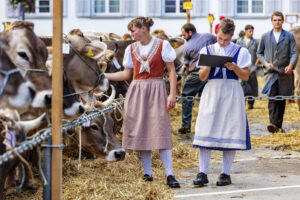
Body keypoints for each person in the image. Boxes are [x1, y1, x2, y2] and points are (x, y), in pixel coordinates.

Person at [104, 16, 180, 188]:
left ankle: (170, 174)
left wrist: (172, 94)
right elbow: (125, 75)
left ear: (143, 29)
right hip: (137, 91)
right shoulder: (131, 48)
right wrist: (103, 76)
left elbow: (172, 71)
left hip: (157, 89)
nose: (131, 34)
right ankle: (147, 173)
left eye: (133, 30)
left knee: (161, 131)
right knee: (142, 131)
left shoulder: (162, 45)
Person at [192, 18, 251, 187]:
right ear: (216, 34)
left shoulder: (241, 51)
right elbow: (202, 77)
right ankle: (202, 172)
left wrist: (235, 68)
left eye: (226, 39)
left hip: (232, 91)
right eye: (220, 38)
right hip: (212, 90)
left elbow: (246, 76)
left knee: (230, 129)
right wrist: (209, 65)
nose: (223, 42)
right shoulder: (207, 49)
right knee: (206, 127)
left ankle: (225, 173)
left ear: (232, 36)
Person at [257, 11, 298, 133]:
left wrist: (291, 65)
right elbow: (259, 53)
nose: (277, 22)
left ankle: (278, 125)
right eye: (275, 20)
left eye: (279, 20)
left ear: (283, 21)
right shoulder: (265, 36)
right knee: (272, 97)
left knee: (281, 98)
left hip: (284, 73)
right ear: (271, 21)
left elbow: (294, 52)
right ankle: (272, 123)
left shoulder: (289, 36)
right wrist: (265, 63)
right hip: (270, 73)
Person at [178, 23, 216, 134]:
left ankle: (186, 125)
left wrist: (187, 74)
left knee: (186, 97)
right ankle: (209, 126)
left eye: (184, 35)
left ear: (190, 32)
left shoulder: (187, 46)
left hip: (195, 74)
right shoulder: (209, 36)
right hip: (211, 73)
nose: (183, 37)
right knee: (208, 100)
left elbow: (187, 65)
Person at [237, 24, 259, 109]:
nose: (251, 32)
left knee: (252, 84)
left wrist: (255, 65)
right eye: (250, 31)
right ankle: (242, 101)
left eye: (252, 31)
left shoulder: (256, 42)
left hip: (252, 67)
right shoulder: (239, 41)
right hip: (242, 67)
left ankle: (251, 103)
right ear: (245, 31)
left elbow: (258, 54)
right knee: (242, 84)